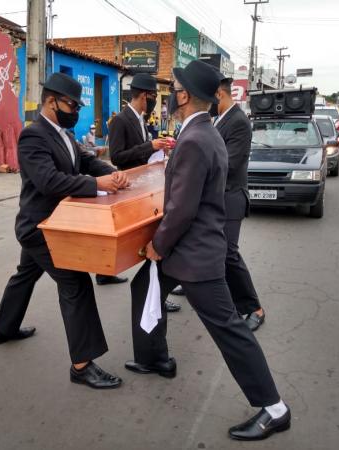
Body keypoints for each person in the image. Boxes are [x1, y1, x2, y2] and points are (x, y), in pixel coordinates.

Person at [125, 60, 291, 441]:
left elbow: (182, 209)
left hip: (196, 256)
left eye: (174, 90)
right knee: (142, 287)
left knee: (229, 329)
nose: (168, 96)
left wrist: (157, 245)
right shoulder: (205, 132)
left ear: (183, 96)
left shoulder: (196, 139)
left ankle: (273, 407)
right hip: (191, 249)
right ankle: (153, 357)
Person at [0, 72, 130, 389]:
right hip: (40, 227)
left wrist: (114, 175)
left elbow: (86, 161)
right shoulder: (33, 136)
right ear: (51, 101)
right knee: (76, 281)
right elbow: (49, 181)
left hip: (55, 223)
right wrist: (97, 185)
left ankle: (3, 329)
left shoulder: (65, 135)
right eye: (71, 104)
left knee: (25, 273)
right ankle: (82, 366)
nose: (76, 111)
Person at [108, 72, 180, 312]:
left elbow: (143, 153)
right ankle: (155, 293)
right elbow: (117, 157)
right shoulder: (120, 120)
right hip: (129, 187)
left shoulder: (142, 121)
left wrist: (159, 149)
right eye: (152, 97)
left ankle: (153, 289)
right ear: (144, 96)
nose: (153, 102)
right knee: (152, 240)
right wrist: (149, 146)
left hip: (145, 185)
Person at [209, 71, 266, 331]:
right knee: (214, 251)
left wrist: (197, 165)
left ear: (219, 94)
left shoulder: (238, 122)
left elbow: (230, 164)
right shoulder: (220, 119)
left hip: (231, 197)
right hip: (217, 197)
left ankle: (254, 307)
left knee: (229, 254)